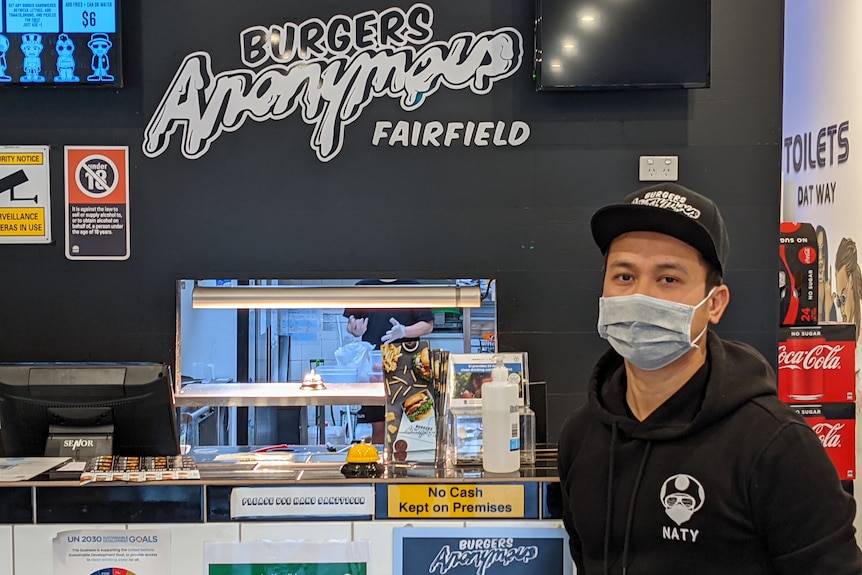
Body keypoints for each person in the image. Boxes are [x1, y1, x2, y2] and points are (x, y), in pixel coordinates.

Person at [557, 182, 862, 574]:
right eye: (624, 276)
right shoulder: (581, 437)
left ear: (714, 303)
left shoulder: (777, 447)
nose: (641, 296)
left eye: (668, 279)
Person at [343, 279, 434, 443]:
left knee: (413, 424)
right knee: (379, 426)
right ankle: (378, 466)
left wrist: (404, 331)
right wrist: (354, 328)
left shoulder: (413, 286)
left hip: (409, 365)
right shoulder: (363, 287)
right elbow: (351, 325)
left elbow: (428, 325)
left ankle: (409, 467)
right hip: (374, 367)